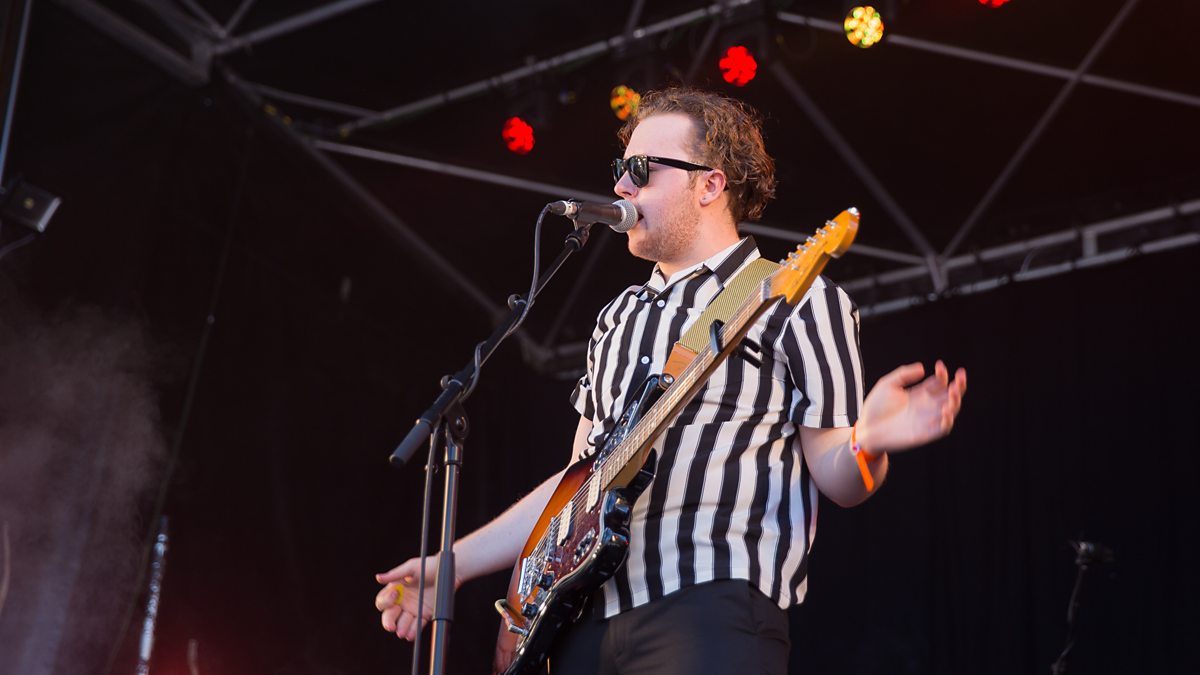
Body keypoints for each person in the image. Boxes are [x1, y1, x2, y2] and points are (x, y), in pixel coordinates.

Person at [374, 87, 967, 675]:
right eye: (620, 169)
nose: (621, 187)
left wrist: (869, 440)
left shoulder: (799, 297)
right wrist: (452, 565)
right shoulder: (615, 319)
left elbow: (839, 477)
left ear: (709, 184)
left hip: (709, 605)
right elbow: (574, 488)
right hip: (582, 624)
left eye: (641, 170)